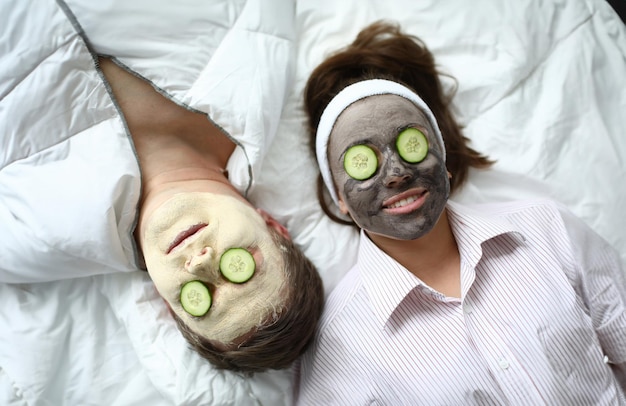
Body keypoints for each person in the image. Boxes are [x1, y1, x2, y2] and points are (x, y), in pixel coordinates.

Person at [295, 21, 626, 404]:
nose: (397, 173)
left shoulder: (548, 228)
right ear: (339, 195)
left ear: (441, 152)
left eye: (410, 144)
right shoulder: (341, 342)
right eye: (362, 161)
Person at [93, 57, 324, 373]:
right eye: (238, 265)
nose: (200, 264)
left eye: (198, 300)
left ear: (168, 306)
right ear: (272, 226)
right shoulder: (249, 78)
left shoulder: (25, 237)